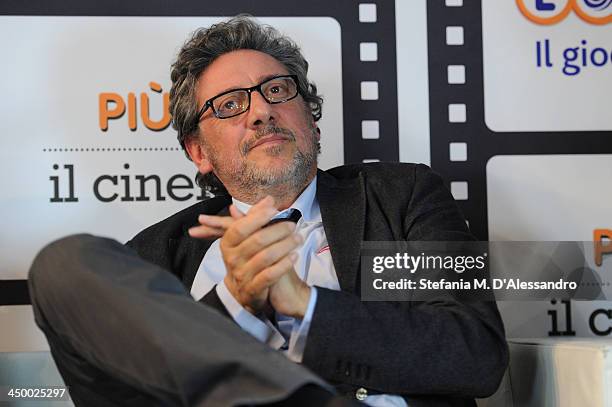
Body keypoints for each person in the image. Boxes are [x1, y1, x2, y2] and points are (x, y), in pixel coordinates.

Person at [29, 16, 508, 407]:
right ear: (198, 152)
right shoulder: (155, 257)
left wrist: (306, 304)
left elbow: (474, 353)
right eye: (231, 104)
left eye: (276, 90)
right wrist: (236, 298)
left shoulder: (400, 199)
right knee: (63, 264)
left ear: (312, 122)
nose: (260, 112)